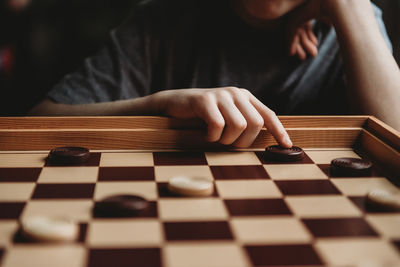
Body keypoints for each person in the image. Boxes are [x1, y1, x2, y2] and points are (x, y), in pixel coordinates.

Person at [29, 0, 400, 148]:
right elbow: (36, 123)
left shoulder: (355, 23)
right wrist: (158, 105)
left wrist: (351, 6)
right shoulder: (164, 20)